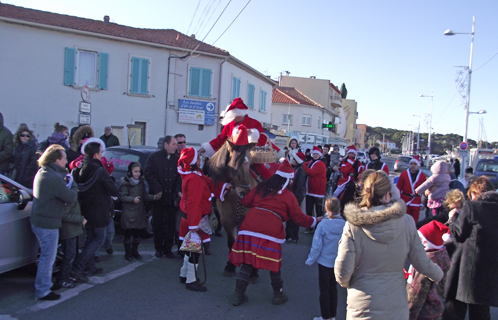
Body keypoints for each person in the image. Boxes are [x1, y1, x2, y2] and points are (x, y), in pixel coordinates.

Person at [335, 171, 443, 320]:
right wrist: (439, 275)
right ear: (388, 194)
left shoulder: (354, 225)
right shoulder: (406, 222)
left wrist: (353, 282)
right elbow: (421, 262)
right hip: (396, 303)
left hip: (362, 303)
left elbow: (343, 270)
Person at [229, 160, 321, 306]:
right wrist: (316, 220)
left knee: (247, 261)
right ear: (287, 179)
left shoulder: (261, 187)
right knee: (274, 265)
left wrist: (241, 195)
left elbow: (246, 202)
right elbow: (299, 218)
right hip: (270, 231)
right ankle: (278, 294)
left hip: (249, 226)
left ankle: (238, 295)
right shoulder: (288, 196)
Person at [443, 176, 498, 320]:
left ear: (475, 193)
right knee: (481, 312)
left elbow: (459, 235)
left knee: (455, 308)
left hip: (467, 268)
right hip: (489, 270)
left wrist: (453, 219)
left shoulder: (472, 207)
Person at [30, 145, 78, 300]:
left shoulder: (44, 171)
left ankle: (45, 285)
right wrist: (73, 182)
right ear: (57, 160)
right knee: (47, 258)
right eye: (64, 158)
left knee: (46, 256)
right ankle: (43, 290)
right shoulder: (54, 178)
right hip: (48, 224)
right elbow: (70, 198)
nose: (66, 161)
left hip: (40, 220)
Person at [72, 139, 119, 279]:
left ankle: (90, 267)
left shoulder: (79, 168)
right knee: (98, 239)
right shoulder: (99, 170)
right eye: (100, 152)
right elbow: (113, 190)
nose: (101, 154)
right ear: (95, 154)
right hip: (99, 209)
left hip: (85, 209)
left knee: (90, 238)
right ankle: (78, 266)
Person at [199, 97, 276, 180]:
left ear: (240, 114)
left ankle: (273, 186)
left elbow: (262, 140)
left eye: (234, 115)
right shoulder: (229, 125)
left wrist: (251, 134)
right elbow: (220, 139)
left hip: (249, 155)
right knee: (214, 168)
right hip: (231, 155)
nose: (233, 118)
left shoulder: (254, 123)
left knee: (261, 169)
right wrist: (206, 148)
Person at [177, 147, 217, 292]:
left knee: (190, 249)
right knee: (195, 251)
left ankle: (184, 274)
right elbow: (193, 204)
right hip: (194, 219)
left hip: (190, 218)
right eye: (198, 157)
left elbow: (208, 181)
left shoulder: (193, 174)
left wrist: (224, 185)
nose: (200, 159)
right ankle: (191, 280)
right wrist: (194, 225)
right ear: (195, 161)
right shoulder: (194, 178)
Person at [306, 197, 345, 320]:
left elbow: (316, 245)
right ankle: (332, 315)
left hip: (324, 262)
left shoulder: (323, 225)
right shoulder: (344, 224)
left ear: (325, 208)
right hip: (337, 262)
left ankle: (325, 316)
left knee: (324, 291)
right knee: (333, 289)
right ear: (340, 209)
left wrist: (311, 260)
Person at [144, 135, 182, 259]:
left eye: (176, 144)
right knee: (157, 223)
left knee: (170, 224)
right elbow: (148, 174)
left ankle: (168, 248)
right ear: (165, 145)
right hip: (158, 197)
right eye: (174, 144)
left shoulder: (177, 159)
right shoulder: (153, 158)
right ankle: (158, 248)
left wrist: (177, 192)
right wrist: (157, 189)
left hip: (171, 197)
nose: (176, 147)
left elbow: (178, 178)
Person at [406, 220, 451, 320]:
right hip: (435, 309)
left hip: (421, 313)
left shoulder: (424, 264)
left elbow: (417, 294)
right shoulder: (442, 257)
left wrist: (409, 315)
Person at [120, 162, 155, 261]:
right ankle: (128, 253)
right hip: (129, 213)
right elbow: (122, 197)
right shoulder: (125, 183)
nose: (137, 174)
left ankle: (135, 251)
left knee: (136, 235)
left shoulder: (141, 182)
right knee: (128, 234)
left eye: (139, 172)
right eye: (135, 172)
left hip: (139, 213)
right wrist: (132, 199)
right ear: (130, 172)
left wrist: (153, 197)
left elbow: (144, 196)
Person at [54, 186, 86, 289]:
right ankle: (62, 279)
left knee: (73, 254)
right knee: (69, 255)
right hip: (68, 231)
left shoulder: (71, 198)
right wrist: (80, 219)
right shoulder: (68, 199)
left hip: (73, 230)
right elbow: (64, 215)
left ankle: (67, 276)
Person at [302, 146, 327, 233]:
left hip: (317, 191)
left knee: (318, 210)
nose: (315, 155)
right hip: (311, 190)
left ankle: (319, 227)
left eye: (317, 154)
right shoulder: (312, 161)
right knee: (309, 209)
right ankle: (310, 226)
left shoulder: (320, 163)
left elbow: (311, 172)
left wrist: (302, 165)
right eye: (314, 154)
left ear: (320, 155)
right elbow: (305, 163)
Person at [396, 155, 427, 223]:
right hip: (405, 200)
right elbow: (398, 188)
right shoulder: (403, 174)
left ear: (418, 165)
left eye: (415, 164)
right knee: (404, 220)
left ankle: (412, 233)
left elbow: (424, 191)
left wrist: (423, 203)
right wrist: (398, 201)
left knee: (414, 221)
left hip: (416, 201)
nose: (413, 165)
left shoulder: (422, 176)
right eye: (411, 164)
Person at [285, 151, 307, 242]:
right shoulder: (292, 168)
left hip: (296, 196)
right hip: (290, 195)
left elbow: (299, 185)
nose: (292, 160)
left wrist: (294, 197)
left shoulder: (301, 171)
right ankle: (288, 235)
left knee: (294, 216)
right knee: (288, 216)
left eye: (294, 159)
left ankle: (293, 236)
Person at [332, 145, 362, 211]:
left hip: (354, 181)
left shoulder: (358, 162)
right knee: (335, 194)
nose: (351, 155)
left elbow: (360, 172)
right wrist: (350, 162)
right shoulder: (344, 161)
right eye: (350, 153)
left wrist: (358, 181)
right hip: (345, 180)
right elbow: (344, 171)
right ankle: (333, 207)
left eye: (353, 153)